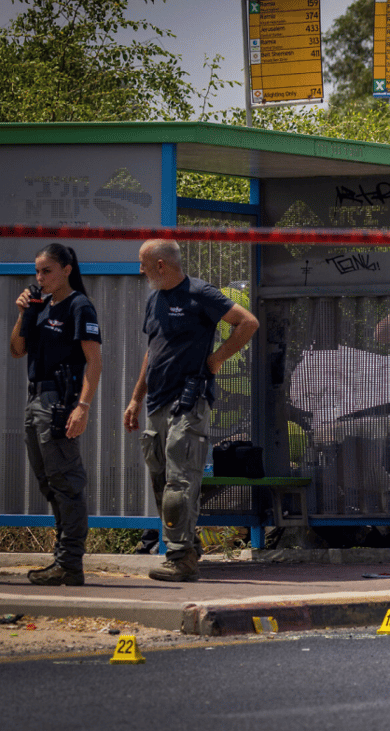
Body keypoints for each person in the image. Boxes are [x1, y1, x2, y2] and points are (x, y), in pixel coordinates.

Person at [123, 239, 258, 583]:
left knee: (179, 483)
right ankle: (188, 544)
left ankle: (181, 558)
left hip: (188, 402)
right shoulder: (154, 299)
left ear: (161, 265)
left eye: (143, 264)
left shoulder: (200, 293)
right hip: (156, 404)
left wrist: (215, 361)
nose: (140, 271)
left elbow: (247, 323)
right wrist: (136, 398)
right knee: (161, 481)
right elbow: (151, 353)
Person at [9, 244, 101, 586]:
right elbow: (17, 351)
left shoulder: (79, 305)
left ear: (66, 269)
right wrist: (24, 312)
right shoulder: (41, 306)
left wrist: (82, 407)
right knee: (49, 483)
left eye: (47, 271)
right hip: (36, 399)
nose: (40, 277)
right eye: (37, 271)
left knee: (67, 483)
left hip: (59, 401)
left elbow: (94, 361)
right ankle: (62, 560)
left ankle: (70, 563)